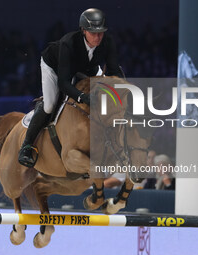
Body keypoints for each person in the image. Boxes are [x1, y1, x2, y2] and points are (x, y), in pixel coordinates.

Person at [18, 8, 123, 167]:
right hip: (55, 67)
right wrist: (83, 97)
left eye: (100, 32)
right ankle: (26, 145)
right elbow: (64, 83)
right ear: (83, 30)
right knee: (50, 105)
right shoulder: (69, 43)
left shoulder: (107, 42)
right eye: (93, 33)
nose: (97, 37)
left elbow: (114, 71)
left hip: (88, 68)